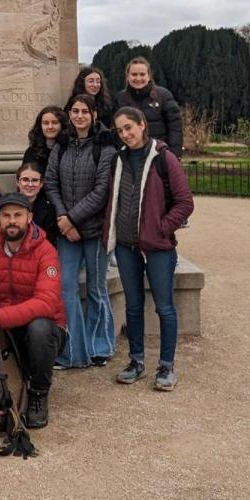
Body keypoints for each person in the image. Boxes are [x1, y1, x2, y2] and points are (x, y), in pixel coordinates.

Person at [104, 107, 194, 392]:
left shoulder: (163, 158)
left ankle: (166, 366)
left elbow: (185, 202)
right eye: (120, 130)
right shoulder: (118, 160)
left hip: (158, 247)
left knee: (165, 308)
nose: (126, 134)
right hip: (126, 245)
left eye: (129, 127)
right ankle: (137, 361)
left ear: (142, 125)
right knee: (133, 306)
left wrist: (161, 228)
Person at [0, 193, 66, 429]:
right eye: (6, 215)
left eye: (18, 215)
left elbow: (46, 303)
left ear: (29, 217)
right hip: (7, 330)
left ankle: (38, 393)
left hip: (45, 331)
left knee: (39, 327)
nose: (12, 220)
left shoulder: (46, 251)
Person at [45, 94, 116, 369]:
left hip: (95, 230)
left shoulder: (104, 147)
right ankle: (72, 350)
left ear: (94, 114)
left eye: (84, 111)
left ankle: (100, 346)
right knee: (65, 289)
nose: (79, 116)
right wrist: (63, 218)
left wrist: (70, 219)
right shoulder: (61, 146)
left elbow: (101, 191)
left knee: (97, 289)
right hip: (68, 231)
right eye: (74, 111)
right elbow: (51, 183)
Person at [116, 57, 183, 158]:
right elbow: (115, 129)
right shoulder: (120, 98)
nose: (138, 78)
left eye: (142, 74)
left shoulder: (163, 95)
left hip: (159, 155)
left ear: (149, 76)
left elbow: (175, 127)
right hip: (130, 156)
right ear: (128, 77)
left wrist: (174, 155)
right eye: (134, 74)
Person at [17, 161, 57, 246]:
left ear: (41, 184)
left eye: (35, 180)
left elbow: (49, 242)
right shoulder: (7, 206)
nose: (30, 184)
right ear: (17, 182)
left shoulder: (50, 210)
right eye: (25, 180)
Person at [22, 105, 67, 176]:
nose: (50, 127)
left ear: (62, 125)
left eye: (55, 122)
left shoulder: (70, 149)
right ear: (40, 126)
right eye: (46, 123)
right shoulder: (31, 152)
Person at [70, 66, 115, 132]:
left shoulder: (108, 102)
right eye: (91, 81)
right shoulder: (73, 103)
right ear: (82, 83)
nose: (95, 85)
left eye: (98, 81)